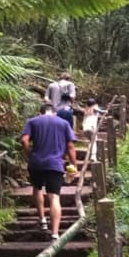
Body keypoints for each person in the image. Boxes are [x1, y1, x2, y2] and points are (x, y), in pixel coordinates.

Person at [21, 103, 78, 240]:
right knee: (54, 197)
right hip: (55, 164)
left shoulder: (32, 121)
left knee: (37, 188)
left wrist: (30, 154)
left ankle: (42, 219)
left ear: (40, 112)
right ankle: (55, 233)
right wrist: (74, 165)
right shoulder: (63, 123)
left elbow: (24, 140)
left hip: (36, 163)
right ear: (54, 113)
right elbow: (70, 146)